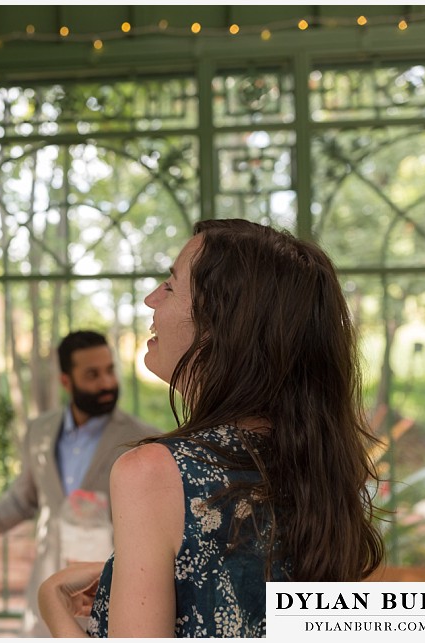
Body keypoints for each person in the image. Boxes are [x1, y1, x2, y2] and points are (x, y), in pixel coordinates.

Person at [39, 219, 384, 637]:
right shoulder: (317, 463)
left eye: (169, 285)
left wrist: (54, 600)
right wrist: (125, 575)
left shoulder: (153, 472)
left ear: (218, 325)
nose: (150, 299)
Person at [0, 330, 160, 636]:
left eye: (110, 370)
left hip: (110, 589)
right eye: (92, 374)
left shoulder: (146, 441)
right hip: (46, 588)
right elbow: (23, 499)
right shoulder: (40, 432)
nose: (107, 383)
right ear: (66, 382)